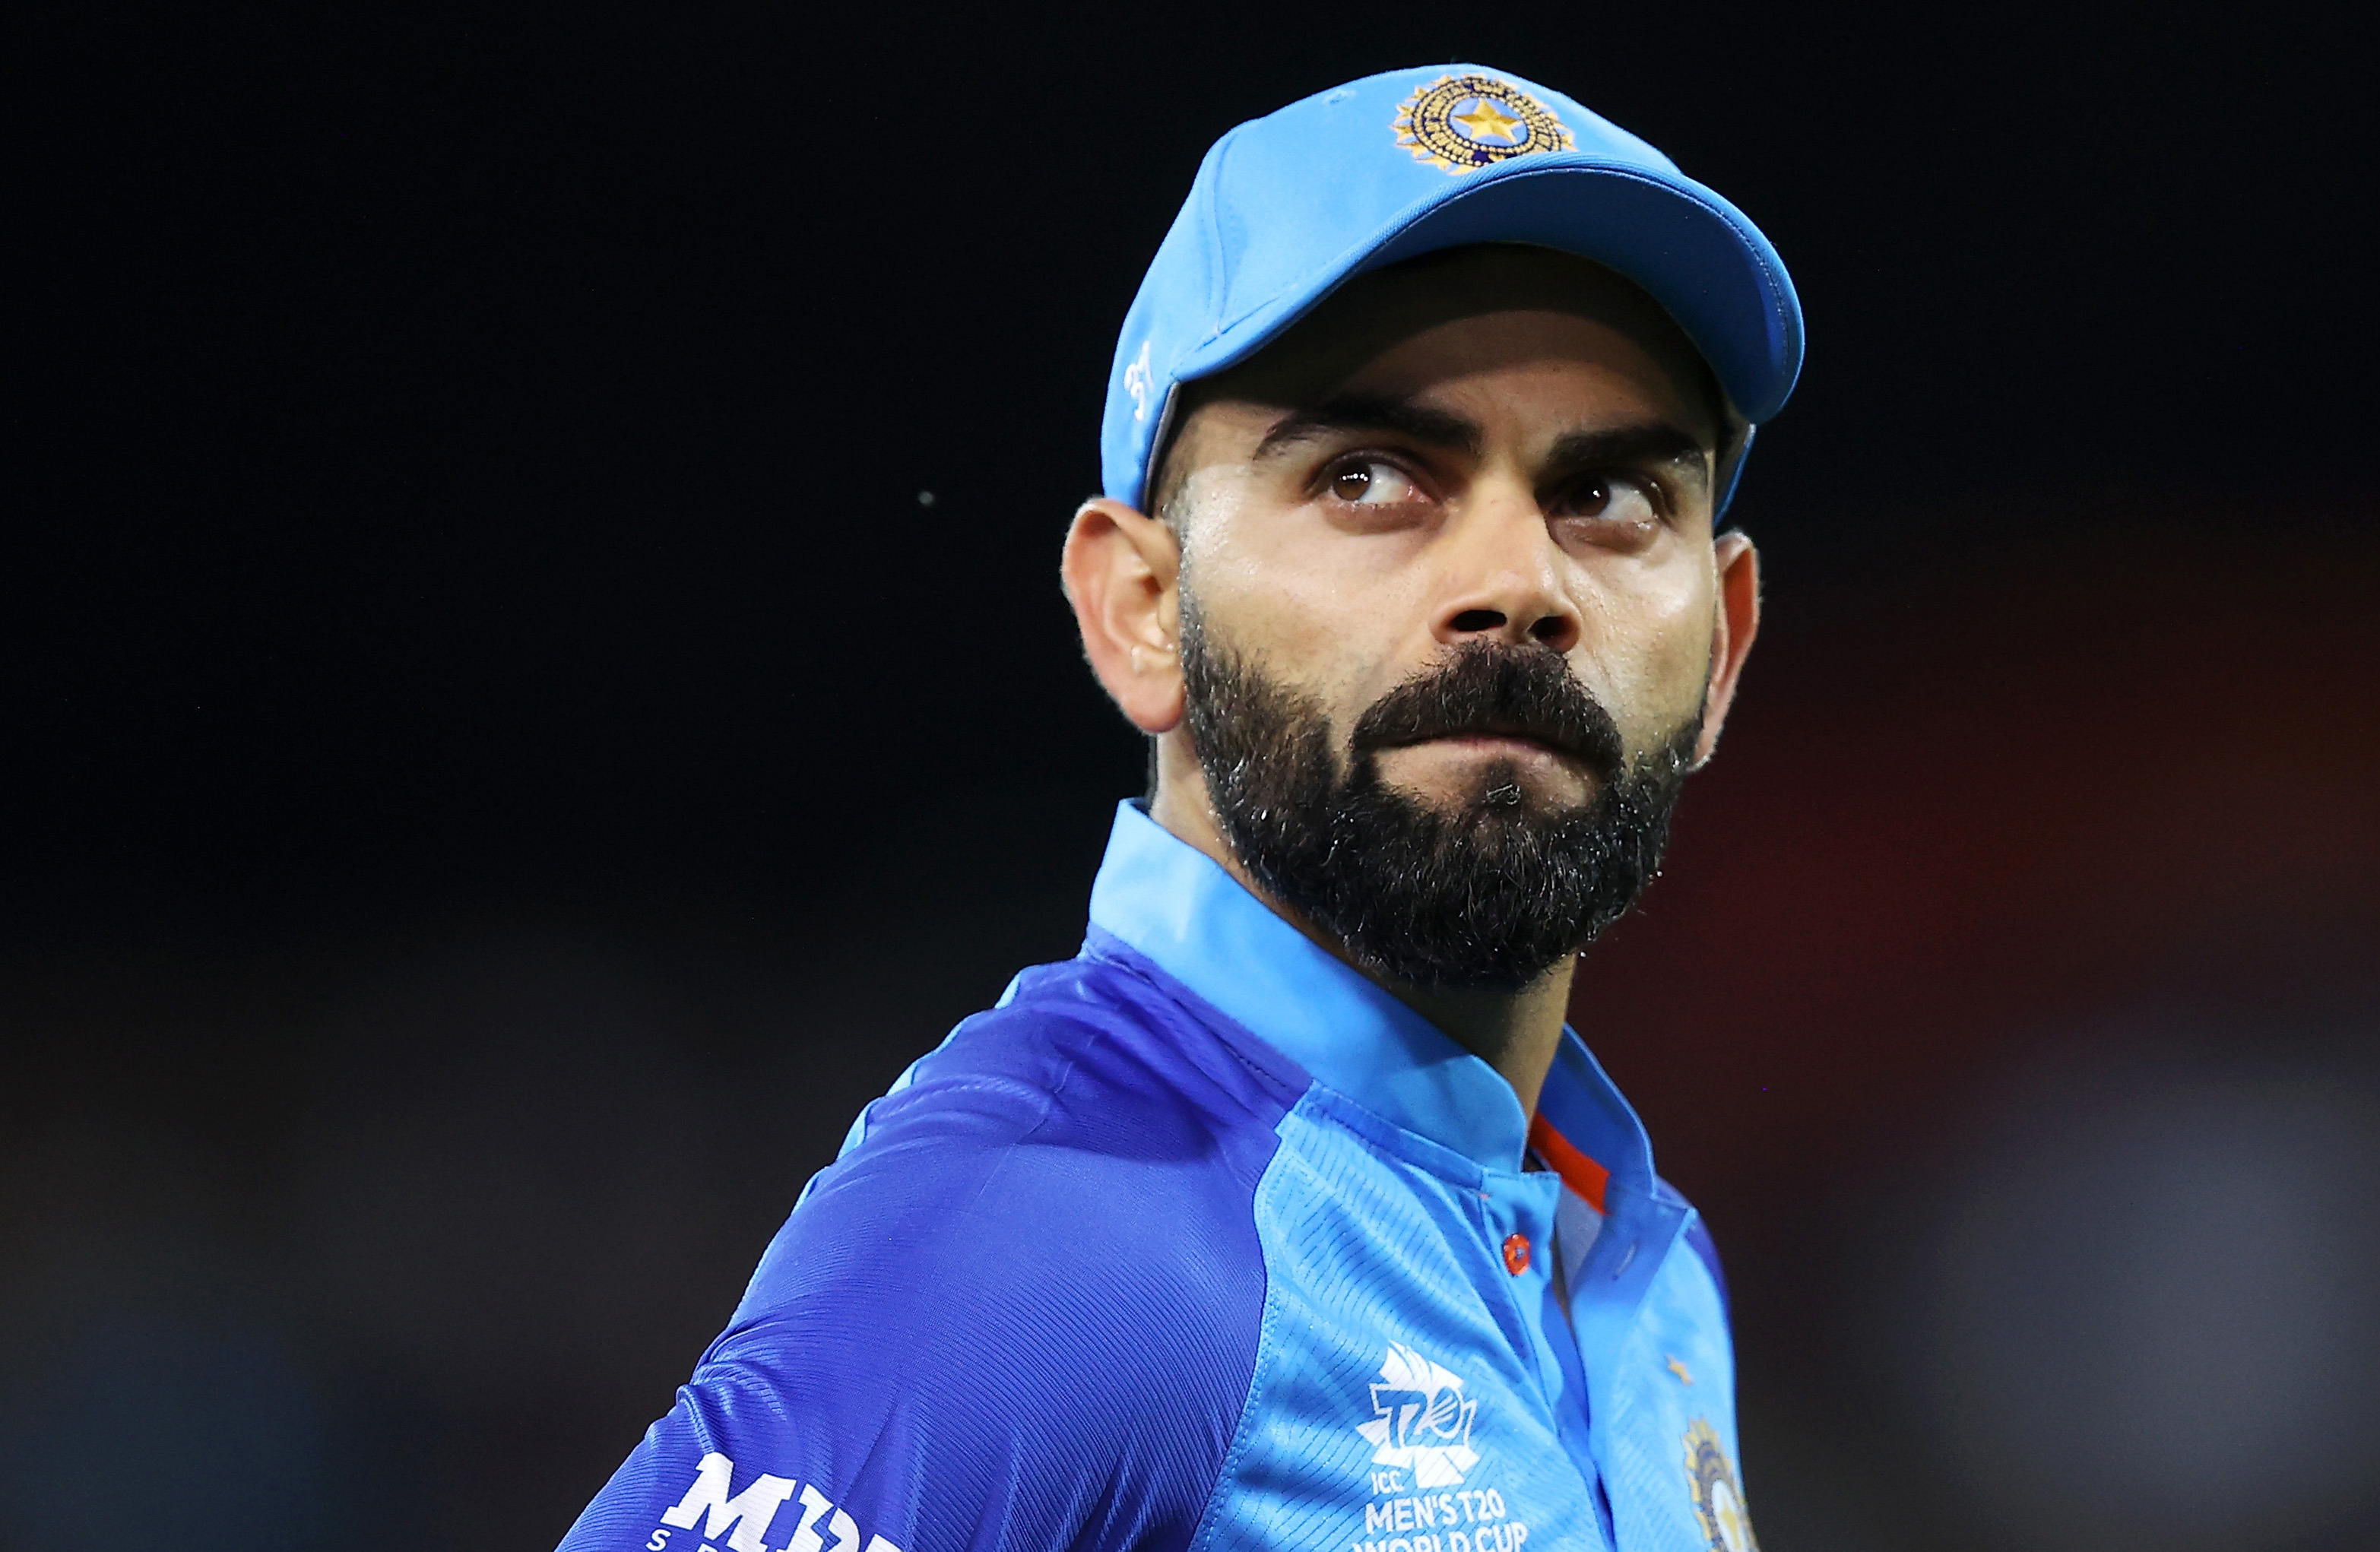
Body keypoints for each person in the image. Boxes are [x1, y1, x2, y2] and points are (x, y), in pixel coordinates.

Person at [560, 63, 1801, 1552]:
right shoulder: (1050, 1251)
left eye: (1608, 497)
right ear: (1142, 609)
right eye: (1367, 474)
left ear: (1721, 646)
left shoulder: (1638, 1265)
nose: (1519, 584)